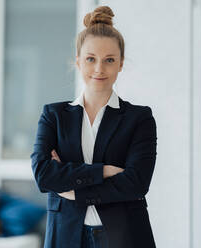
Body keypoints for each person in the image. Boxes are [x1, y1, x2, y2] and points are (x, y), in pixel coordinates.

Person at [31, 6, 157, 248]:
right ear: (78, 62)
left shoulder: (139, 118)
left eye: (109, 60)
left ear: (120, 64)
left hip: (124, 235)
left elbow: (136, 182)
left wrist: (74, 191)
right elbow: (43, 176)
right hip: (65, 236)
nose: (99, 68)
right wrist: (104, 171)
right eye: (91, 59)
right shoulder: (53, 116)